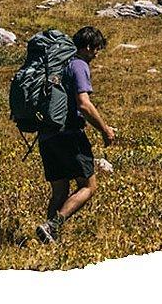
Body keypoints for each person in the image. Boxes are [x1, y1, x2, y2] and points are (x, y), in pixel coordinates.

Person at [35, 25, 116, 244]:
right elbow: (84, 105)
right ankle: (52, 226)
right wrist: (105, 129)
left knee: (60, 190)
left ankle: (49, 241)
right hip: (69, 134)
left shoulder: (58, 65)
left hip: (47, 134)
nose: (97, 54)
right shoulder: (79, 65)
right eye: (97, 49)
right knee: (88, 187)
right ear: (88, 47)